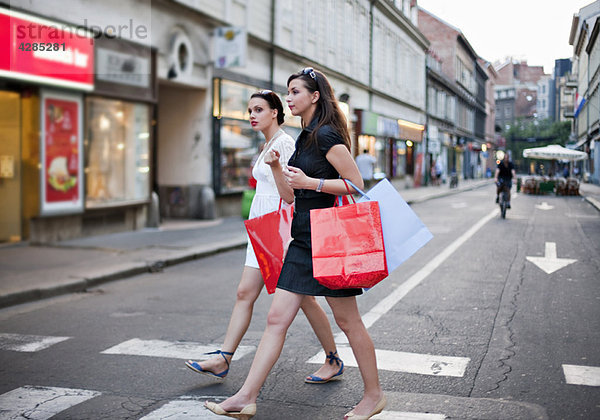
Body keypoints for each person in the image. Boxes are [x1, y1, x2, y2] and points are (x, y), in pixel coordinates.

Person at [205, 68, 385, 420]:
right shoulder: (303, 137)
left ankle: (374, 395)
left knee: (348, 322)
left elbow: (356, 184)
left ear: (314, 96)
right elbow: (290, 197)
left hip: (328, 242)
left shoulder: (326, 135)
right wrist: (276, 169)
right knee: (276, 318)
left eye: (294, 91)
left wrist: (313, 182)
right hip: (302, 242)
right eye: (287, 92)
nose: (288, 97)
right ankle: (246, 397)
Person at [185, 90, 343, 385]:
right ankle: (223, 358)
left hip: (278, 231)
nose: (252, 115)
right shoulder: (269, 143)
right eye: (249, 110)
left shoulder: (284, 144)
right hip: (261, 230)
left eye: (258, 109)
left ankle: (333, 358)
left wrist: (274, 169)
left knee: (305, 299)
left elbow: (292, 194)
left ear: (275, 113)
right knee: (246, 293)